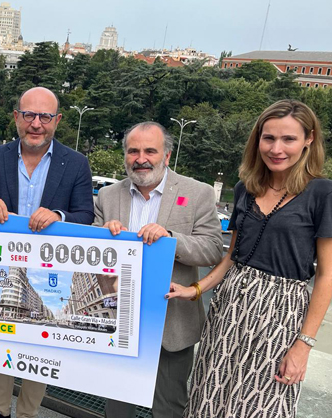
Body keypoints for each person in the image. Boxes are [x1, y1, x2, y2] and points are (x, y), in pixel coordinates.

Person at [167, 100, 332, 417]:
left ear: (309, 139)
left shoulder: (325, 193)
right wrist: (195, 289)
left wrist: (303, 345)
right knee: (208, 395)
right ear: (257, 140)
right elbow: (233, 257)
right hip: (229, 309)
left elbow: (327, 276)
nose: (277, 148)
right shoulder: (245, 189)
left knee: (263, 405)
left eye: (288, 139)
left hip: (279, 314)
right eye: (269, 138)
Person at [0, 86, 94, 418]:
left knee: (41, 346)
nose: (36, 124)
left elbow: (86, 216)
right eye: (28, 115)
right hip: (3, 271)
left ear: (57, 120)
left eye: (45, 116)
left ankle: (26, 413)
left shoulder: (77, 163)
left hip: (49, 276)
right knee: (1, 338)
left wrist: (59, 217)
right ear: (16, 117)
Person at [93, 122, 223, 418]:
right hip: (119, 319)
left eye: (150, 150)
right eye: (133, 151)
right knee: (117, 406)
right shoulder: (108, 195)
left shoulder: (197, 193)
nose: (141, 158)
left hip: (171, 322)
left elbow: (214, 249)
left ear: (166, 155)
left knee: (168, 407)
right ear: (124, 155)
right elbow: (90, 252)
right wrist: (102, 236)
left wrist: (170, 239)